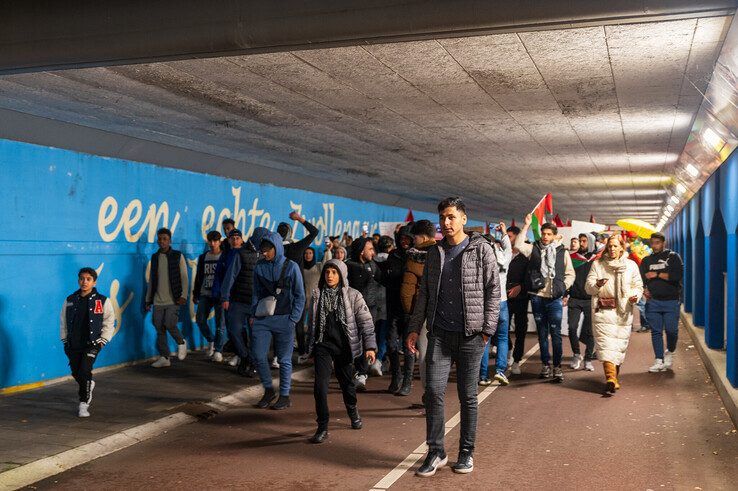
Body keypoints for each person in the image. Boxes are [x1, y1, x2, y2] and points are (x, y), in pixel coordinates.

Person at [406, 197, 500, 477]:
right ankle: (436, 451)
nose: (445, 224)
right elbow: (424, 293)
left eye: (450, 217)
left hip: (471, 336)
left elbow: (493, 290)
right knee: (433, 393)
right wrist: (414, 327)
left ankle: (466, 452)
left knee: (468, 397)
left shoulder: (481, 250)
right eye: (442, 219)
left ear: (462, 219)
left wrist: (487, 330)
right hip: (439, 334)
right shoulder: (435, 253)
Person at [306, 259, 377, 443]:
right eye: (327, 272)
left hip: (344, 347)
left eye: (334, 272)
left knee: (347, 385)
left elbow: (366, 323)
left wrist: (370, 347)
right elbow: (313, 324)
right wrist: (310, 347)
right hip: (323, 346)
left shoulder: (354, 295)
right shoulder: (317, 295)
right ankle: (322, 426)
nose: (330, 275)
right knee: (320, 387)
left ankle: (352, 411)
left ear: (342, 275)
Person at [515, 215, 575, 382]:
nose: (546, 237)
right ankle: (545, 365)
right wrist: (526, 225)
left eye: (549, 234)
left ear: (555, 235)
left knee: (556, 334)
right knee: (542, 334)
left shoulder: (562, 252)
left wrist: (563, 287)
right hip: (537, 297)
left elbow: (570, 273)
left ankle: (557, 367)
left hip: (554, 298)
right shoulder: (533, 248)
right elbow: (518, 245)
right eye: (544, 233)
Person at [251, 232, 305, 410]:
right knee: (258, 356)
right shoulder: (259, 267)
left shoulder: (292, 267)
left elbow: (300, 296)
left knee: (284, 359)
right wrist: (253, 314)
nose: (264, 253)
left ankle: (284, 395)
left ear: (277, 248)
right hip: (262, 318)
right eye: (262, 250)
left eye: (267, 249)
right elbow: (256, 293)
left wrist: (293, 319)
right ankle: (268, 390)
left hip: (285, 319)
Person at [585, 235, 643, 394]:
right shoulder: (598, 265)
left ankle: (613, 378)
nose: (612, 249)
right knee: (606, 345)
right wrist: (597, 284)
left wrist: (634, 296)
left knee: (618, 347)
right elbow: (588, 288)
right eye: (609, 246)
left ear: (622, 248)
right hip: (603, 311)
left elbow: (638, 286)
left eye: (615, 246)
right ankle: (610, 378)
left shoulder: (631, 266)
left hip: (624, 312)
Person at [60, 267, 116, 417]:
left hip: (92, 344)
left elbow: (109, 321)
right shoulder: (70, 300)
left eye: (88, 279)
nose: (84, 282)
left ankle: (83, 404)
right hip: (73, 344)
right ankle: (88, 384)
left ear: (94, 282)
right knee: (76, 372)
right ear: (78, 280)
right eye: (82, 279)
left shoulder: (102, 300)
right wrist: (65, 340)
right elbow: (63, 321)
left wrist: (103, 340)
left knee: (85, 371)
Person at [221, 228, 268, 372]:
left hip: (256, 304)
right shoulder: (241, 254)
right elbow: (231, 276)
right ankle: (245, 356)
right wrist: (225, 297)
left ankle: (250, 363)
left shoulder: (265, 255)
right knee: (234, 330)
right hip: (238, 301)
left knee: (256, 335)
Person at [399, 220, 436, 398]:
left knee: (424, 355)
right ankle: (438, 391)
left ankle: (429, 393)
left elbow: (407, 292)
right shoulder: (443, 253)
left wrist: (412, 315)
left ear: (420, 237)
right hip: (443, 312)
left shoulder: (414, 258)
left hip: (422, 314)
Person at [640, 232, 684, 372]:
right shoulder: (646, 260)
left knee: (672, 331)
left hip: (671, 301)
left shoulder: (673, 257)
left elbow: (677, 276)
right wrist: (643, 290)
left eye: (657, 243)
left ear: (663, 243)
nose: (654, 246)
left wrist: (657, 274)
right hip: (653, 301)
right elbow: (641, 279)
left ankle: (670, 351)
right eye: (652, 243)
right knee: (656, 332)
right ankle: (658, 360)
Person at [145, 228, 188, 368]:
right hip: (157, 300)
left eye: (164, 238)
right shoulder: (155, 257)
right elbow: (152, 279)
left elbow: (184, 277)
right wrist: (148, 299)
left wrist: (183, 295)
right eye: (160, 239)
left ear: (170, 240)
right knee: (159, 327)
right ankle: (164, 357)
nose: (162, 241)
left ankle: (181, 342)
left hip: (173, 299)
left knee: (169, 323)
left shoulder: (177, 255)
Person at [346, 236, 382, 391]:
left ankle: (362, 373)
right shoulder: (348, 267)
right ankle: (353, 371)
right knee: (350, 342)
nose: (373, 252)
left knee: (365, 340)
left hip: (370, 310)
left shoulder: (373, 265)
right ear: (361, 251)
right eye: (370, 249)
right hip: (350, 311)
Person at [479, 223, 512, 386]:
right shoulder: (504, 258)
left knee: (485, 339)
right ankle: (500, 371)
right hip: (503, 303)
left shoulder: (482, 260)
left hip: (486, 304)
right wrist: (504, 232)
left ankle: (483, 375)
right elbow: (508, 247)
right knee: (503, 338)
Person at [297, 244, 333, 363]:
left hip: (316, 301)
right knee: (300, 328)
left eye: (310, 253)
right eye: (306, 253)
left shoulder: (318, 267)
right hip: (302, 301)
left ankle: (314, 352)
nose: (308, 255)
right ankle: (302, 352)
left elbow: (327, 262)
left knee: (314, 328)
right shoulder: (300, 268)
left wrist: (328, 250)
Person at [566, 238, 596, 372]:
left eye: (584, 241)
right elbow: (566, 275)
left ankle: (588, 359)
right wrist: (565, 293)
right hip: (575, 298)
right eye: (580, 241)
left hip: (591, 300)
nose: (581, 243)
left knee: (590, 331)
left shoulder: (596, 259)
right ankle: (576, 354)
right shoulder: (572, 258)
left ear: (590, 243)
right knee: (572, 328)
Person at [193, 231, 224, 358]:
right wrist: (195, 293)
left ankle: (218, 350)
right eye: (210, 241)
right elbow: (199, 276)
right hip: (205, 293)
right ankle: (211, 340)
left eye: (215, 241)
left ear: (219, 242)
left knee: (220, 324)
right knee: (200, 319)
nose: (212, 243)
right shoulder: (203, 257)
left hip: (219, 295)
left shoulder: (224, 256)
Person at [505, 226, 529, 376]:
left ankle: (516, 361)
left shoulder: (526, 257)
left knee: (521, 330)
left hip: (521, 298)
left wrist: (520, 287)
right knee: (501, 328)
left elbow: (530, 277)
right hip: (503, 297)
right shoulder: (503, 254)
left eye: (510, 236)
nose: (507, 239)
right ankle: (508, 349)